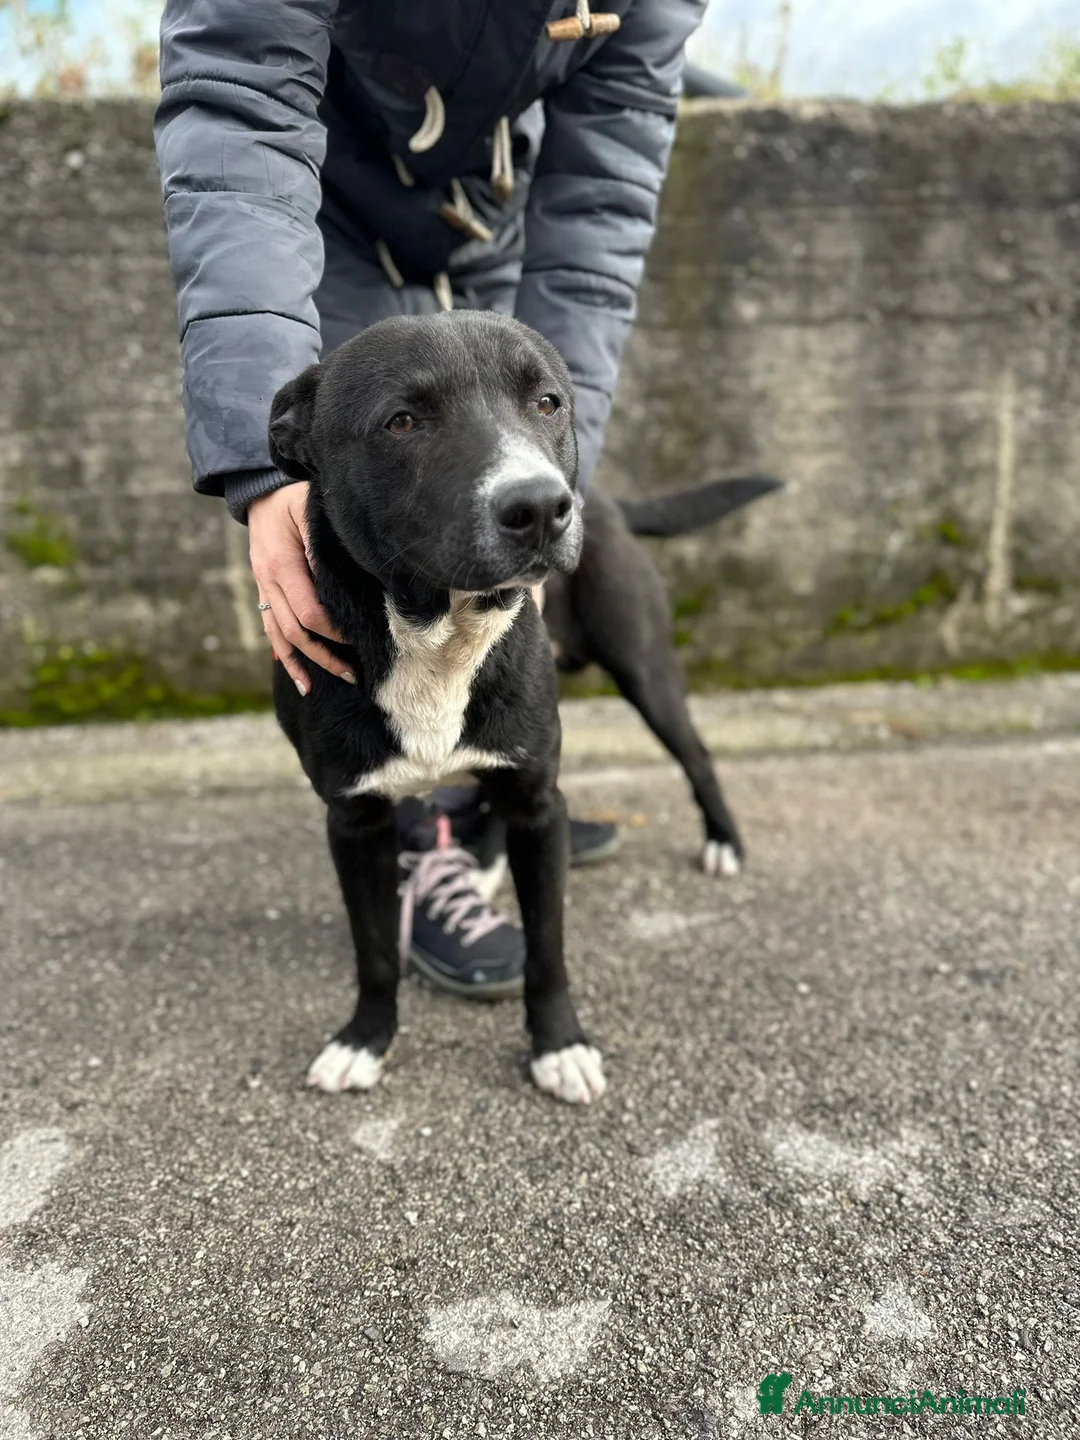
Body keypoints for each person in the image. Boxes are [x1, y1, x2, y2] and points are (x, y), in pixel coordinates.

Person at [155, 0, 706, 998]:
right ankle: (422, 837)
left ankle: (493, 783)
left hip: (487, 206)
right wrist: (263, 463)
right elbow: (240, 95)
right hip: (316, 210)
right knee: (366, 579)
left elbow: (602, 200)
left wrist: (552, 489)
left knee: (493, 429)